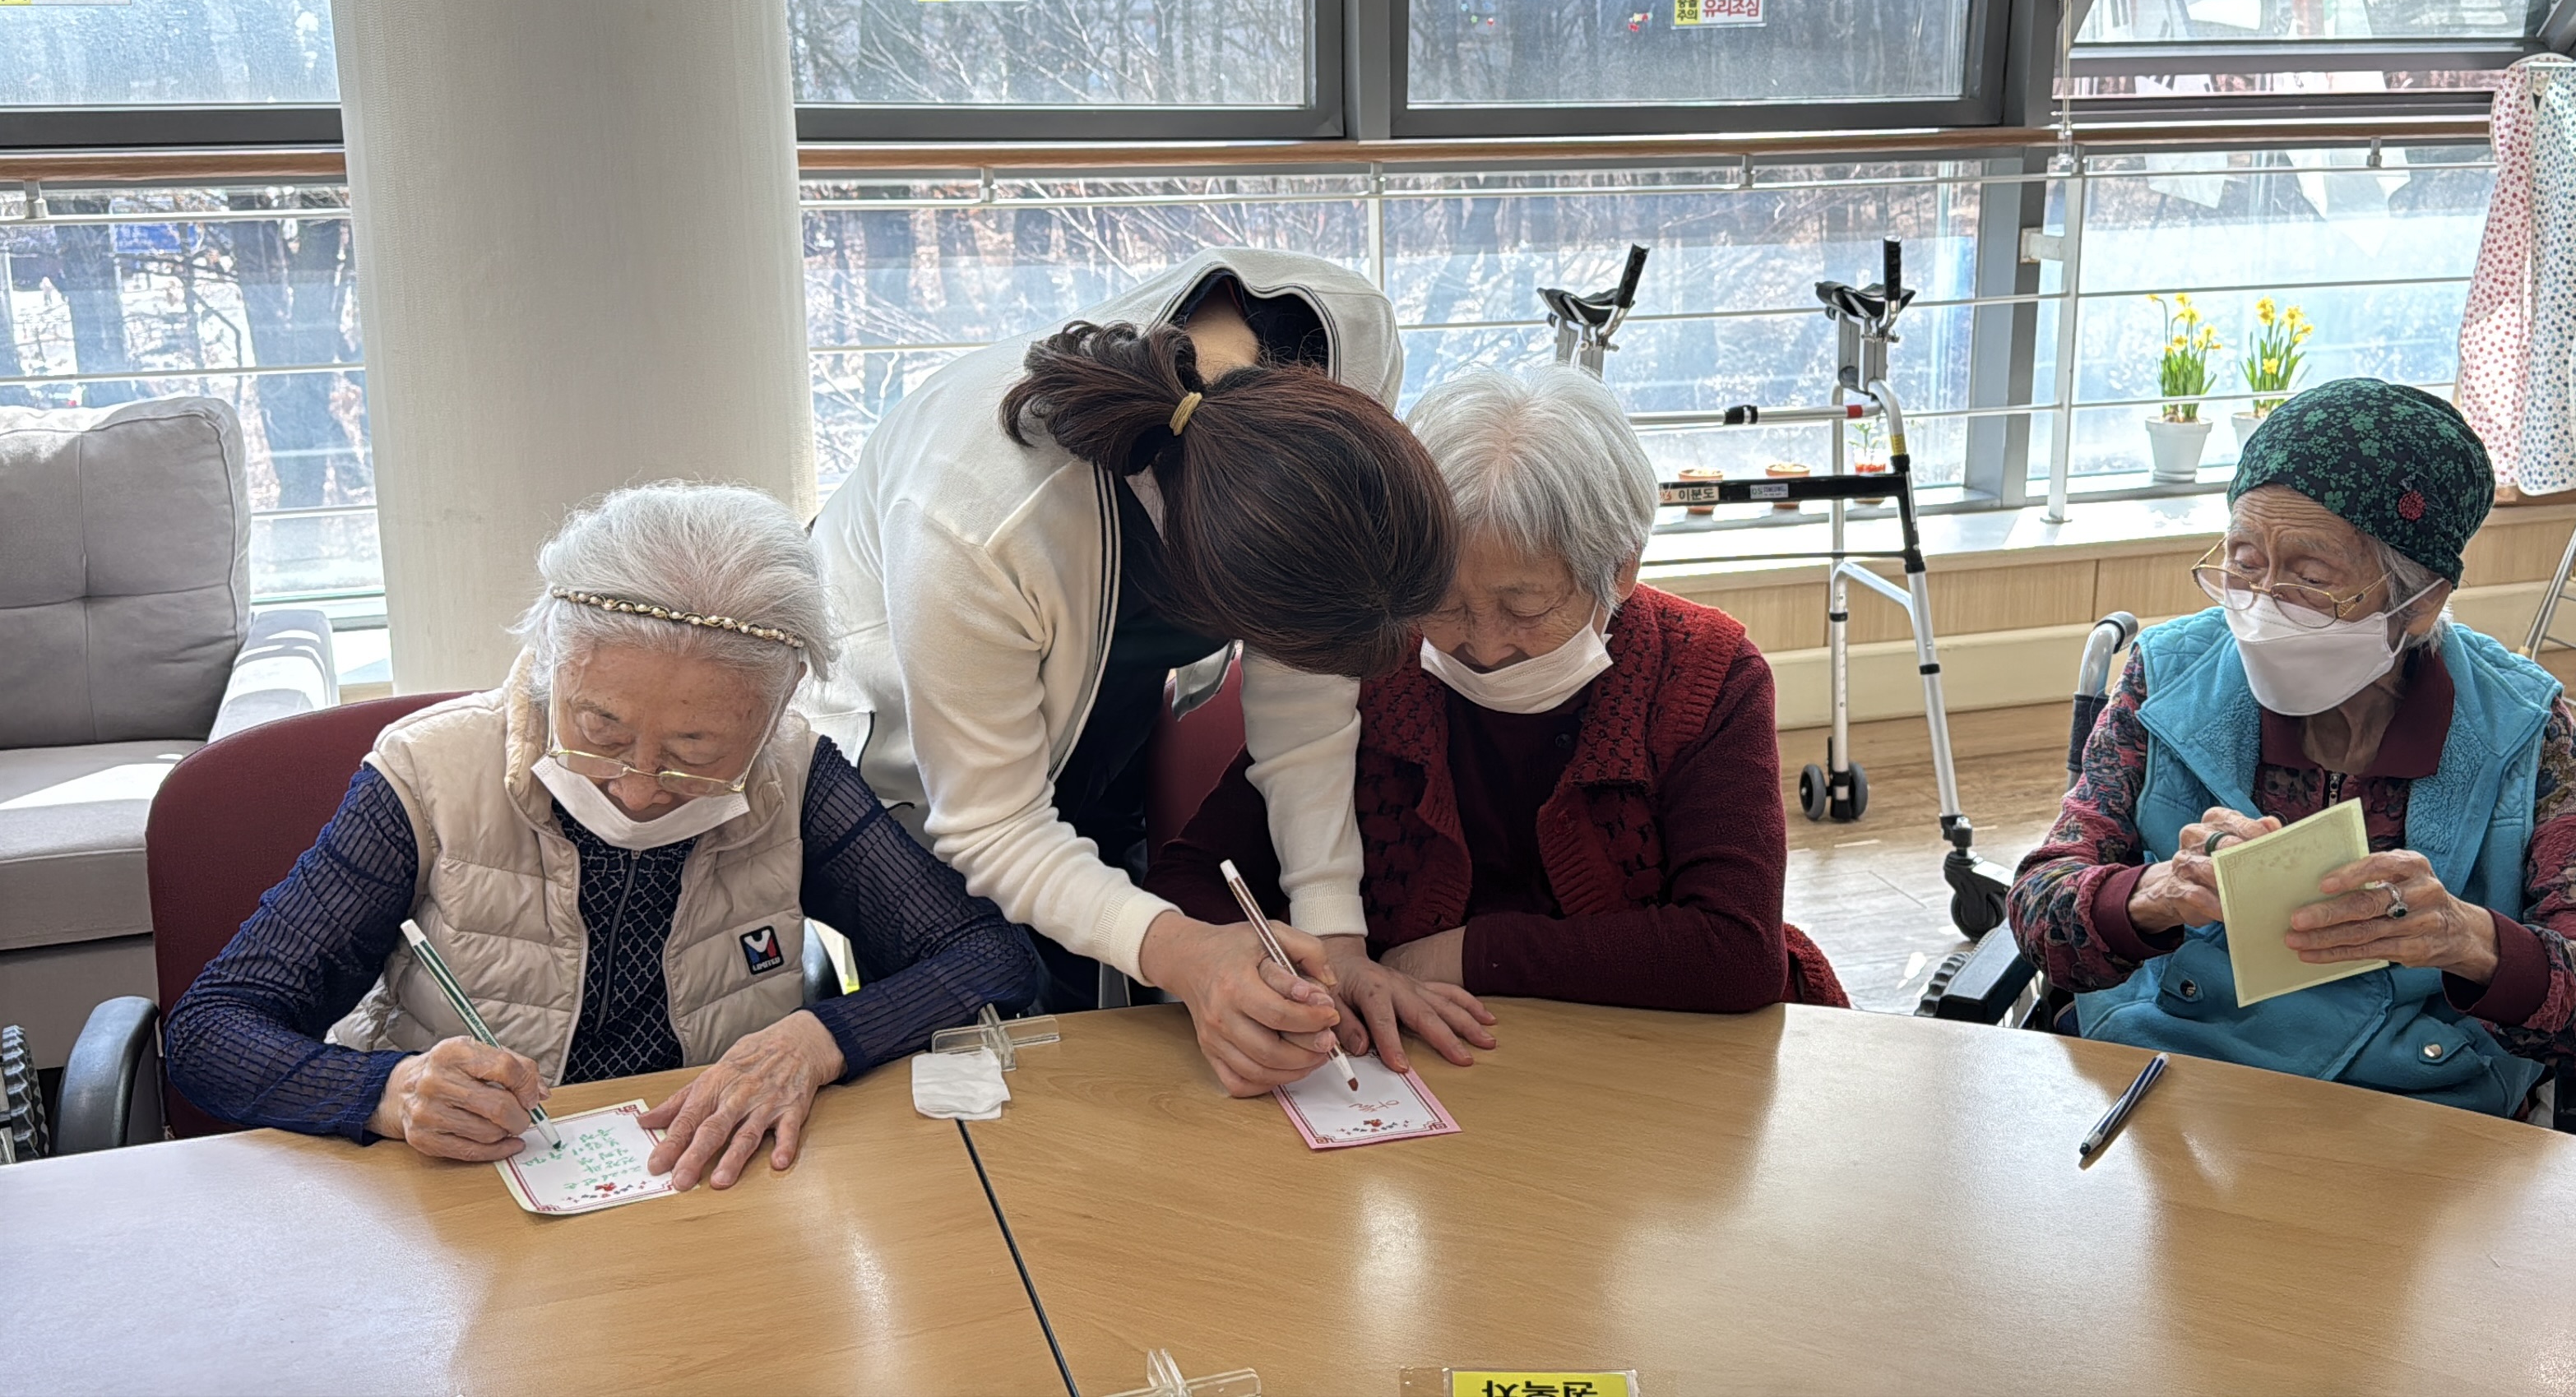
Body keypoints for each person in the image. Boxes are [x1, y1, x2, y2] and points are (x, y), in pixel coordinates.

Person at [167, 484, 1045, 1188]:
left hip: (705, 1183)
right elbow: (212, 1030)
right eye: (601, 728)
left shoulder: (791, 772)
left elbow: (991, 958)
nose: (637, 787)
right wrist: (385, 1092)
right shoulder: (431, 773)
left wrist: (815, 1041)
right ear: (552, 669)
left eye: (697, 751)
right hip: (461, 1197)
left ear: (773, 713)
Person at [808, 248, 1475, 1098]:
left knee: (1105, 1007)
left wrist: (1335, 935)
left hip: (1098, 698)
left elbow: (1307, 704)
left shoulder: (1346, 345)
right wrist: (1187, 954)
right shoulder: (977, 514)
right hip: (916, 748)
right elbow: (992, 825)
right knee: (990, 1031)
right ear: (1205, 586)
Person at [2009, 379, 2576, 1117]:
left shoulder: (2518, 725)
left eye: (2312, 578)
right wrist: (2153, 895)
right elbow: (2039, 908)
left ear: (2421, 602)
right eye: (2244, 561)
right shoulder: (2167, 678)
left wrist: (2468, 940)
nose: (2261, 602)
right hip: (2168, 1076)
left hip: (2417, 1108)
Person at [1149, 364, 1847, 1029]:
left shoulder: (1705, 675)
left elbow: (1734, 950)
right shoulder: (1369, 663)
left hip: (1642, 1067)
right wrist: (1285, 975)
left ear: (1621, 567)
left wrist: (1465, 955)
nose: (1483, 647)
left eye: (1525, 607)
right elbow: (1193, 876)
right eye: (1444, 605)